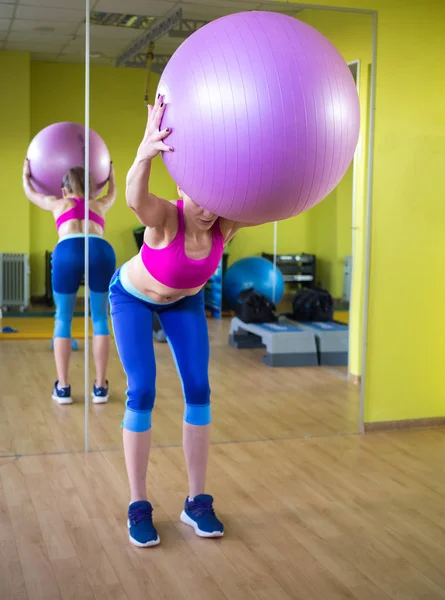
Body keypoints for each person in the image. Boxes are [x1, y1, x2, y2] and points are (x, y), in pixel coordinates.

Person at [110, 98, 262, 547]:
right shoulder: (166, 218)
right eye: (201, 197)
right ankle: (138, 504)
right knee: (142, 390)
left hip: (184, 303)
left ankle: (196, 501)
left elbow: (273, 196)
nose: (208, 210)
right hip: (133, 299)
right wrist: (144, 152)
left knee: (199, 389)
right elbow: (136, 199)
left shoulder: (224, 225)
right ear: (184, 187)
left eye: (217, 201)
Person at [23, 160, 116, 405]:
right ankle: (100, 387)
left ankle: (63, 388)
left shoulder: (59, 203)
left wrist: (26, 175)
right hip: (100, 250)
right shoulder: (98, 203)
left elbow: (31, 194)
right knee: (99, 318)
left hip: (68, 249)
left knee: (63, 318)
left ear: (64, 191)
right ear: (91, 190)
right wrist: (111, 177)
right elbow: (113, 194)